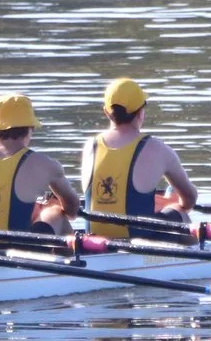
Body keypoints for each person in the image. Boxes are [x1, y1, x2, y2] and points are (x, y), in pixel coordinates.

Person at [82, 77, 197, 240]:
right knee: (180, 213)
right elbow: (189, 200)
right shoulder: (157, 148)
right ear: (141, 113)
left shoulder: (90, 146)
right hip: (140, 240)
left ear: (106, 112)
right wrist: (169, 204)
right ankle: (196, 259)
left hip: (95, 239)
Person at [0, 94, 81, 236]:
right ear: (30, 128)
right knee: (56, 212)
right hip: (19, 252)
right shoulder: (43, 164)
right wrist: (51, 207)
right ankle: (74, 257)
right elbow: (72, 209)